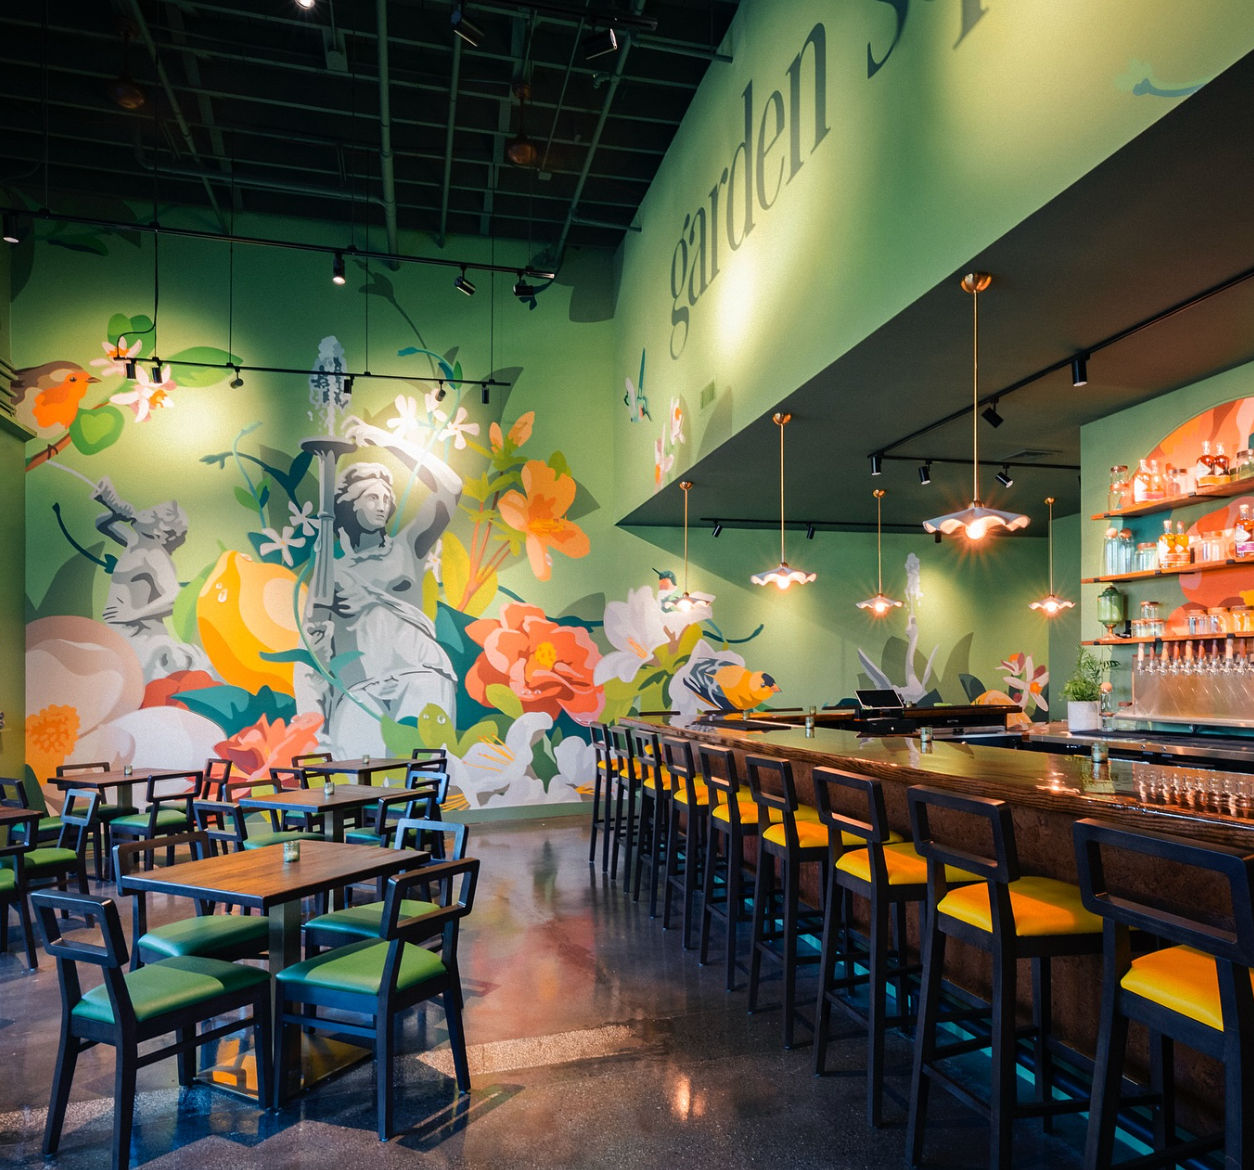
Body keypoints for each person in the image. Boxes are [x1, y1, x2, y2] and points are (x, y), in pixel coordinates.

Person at [296, 417, 462, 755]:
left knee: (423, 782)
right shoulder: (331, 572)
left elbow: (451, 487)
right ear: (349, 506)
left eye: (386, 497)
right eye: (371, 497)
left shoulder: (408, 547)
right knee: (357, 783)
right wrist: (313, 726)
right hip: (361, 687)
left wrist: (387, 439)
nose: (382, 504)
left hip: (419, 674)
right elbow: (312, 652)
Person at [92, 476, 210, 680]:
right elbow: (101, 524)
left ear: (161, 530)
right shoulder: (134, 542)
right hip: (121, 628)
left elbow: (175, 597)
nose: (144, 512)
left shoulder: (155, 554)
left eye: (151, 514)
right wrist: (116, 514)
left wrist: (131, 613)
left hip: (141, 634)